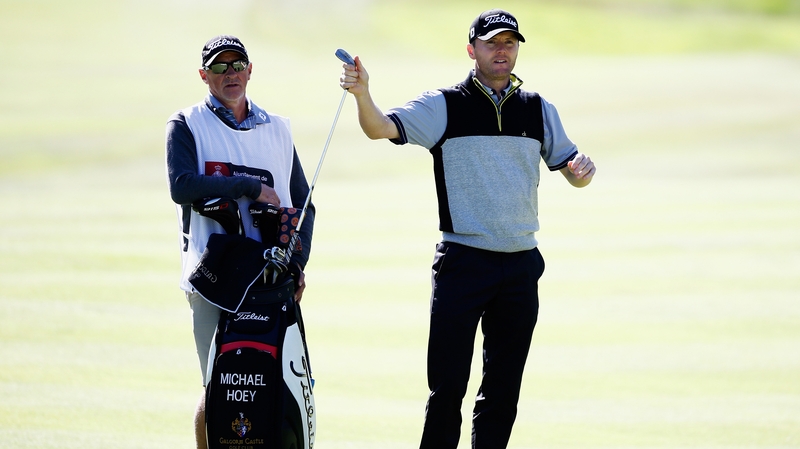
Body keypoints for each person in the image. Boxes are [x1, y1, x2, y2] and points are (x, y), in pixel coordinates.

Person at [339, 9, 596, 449]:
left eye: (510, 43)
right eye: (493, 42)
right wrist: (363, 94)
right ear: (471, 49)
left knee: (502, 391)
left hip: (520, 265)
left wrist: (580, 172)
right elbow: (379, 128)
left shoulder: (537, 108)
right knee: (447, 389)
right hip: (464, 261)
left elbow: (570, 168)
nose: (502, 50)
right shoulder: (444, 105)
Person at [165, 35, 315, 449]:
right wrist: (247, 185)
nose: (229, 74)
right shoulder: (186, 123)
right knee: (216, 384)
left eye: (237, 65)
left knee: (269, 382)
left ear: (250, 70)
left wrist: (297, 261)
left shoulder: (278, 128)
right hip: (213, 278)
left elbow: (303, 205)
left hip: (269, 279)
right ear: (203, 75)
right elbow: (182, 186)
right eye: (218, 67)